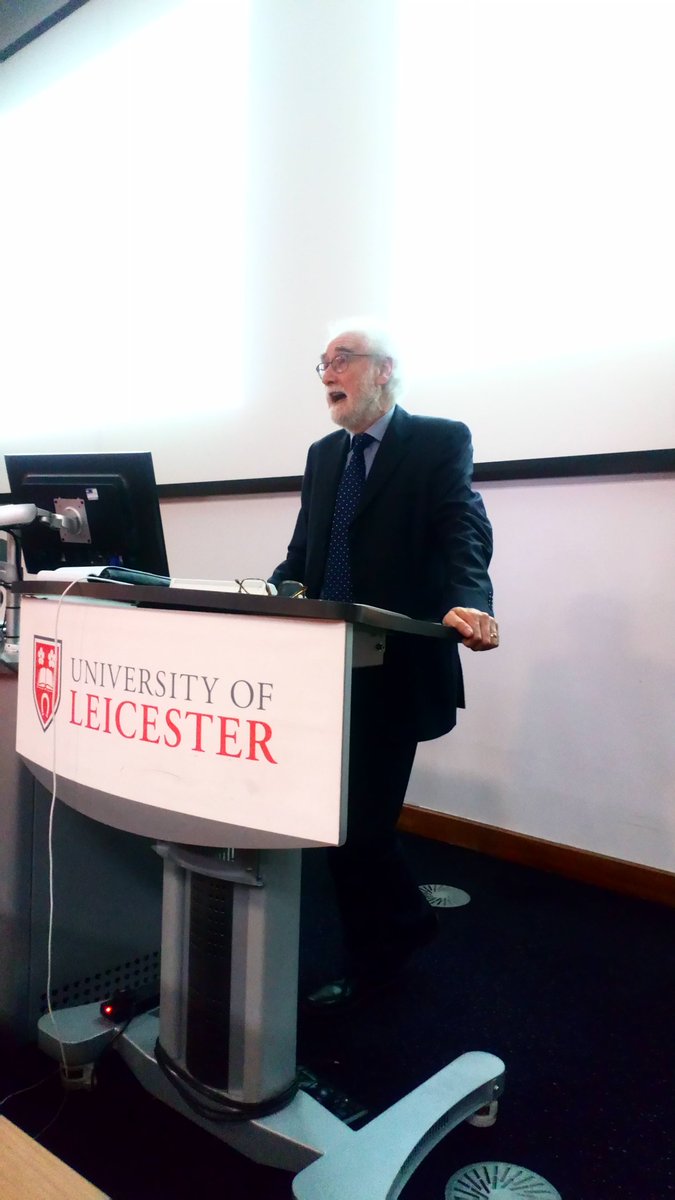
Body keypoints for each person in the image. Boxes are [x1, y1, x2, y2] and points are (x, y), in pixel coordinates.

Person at [270, 320, 498, 1012]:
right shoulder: (321, 454)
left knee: (359, 827)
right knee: (341, 824)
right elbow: (305, 551)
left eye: (342, 360)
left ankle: (381, 957)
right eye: (322, 364)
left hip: (393, 663)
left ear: (384, 370)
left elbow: (461, 527)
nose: (328, 373)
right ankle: (399, 930)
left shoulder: (436, 440)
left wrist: (468, 601)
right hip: (327, 663)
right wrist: (263, 598)